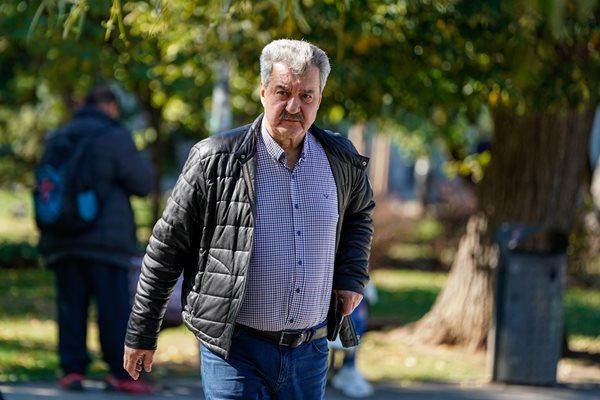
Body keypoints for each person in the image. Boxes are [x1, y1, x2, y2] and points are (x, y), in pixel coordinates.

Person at [124, 39, 375, 399]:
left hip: (310, 351)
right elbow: (166, 249)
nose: (294, 106)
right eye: (283, 92)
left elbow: (359, 214)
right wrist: (142, 332)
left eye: (306, 96)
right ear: (262, 92)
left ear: (319, 98)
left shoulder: (341, 159)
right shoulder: (215, 159)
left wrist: (351, 275)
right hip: (234, 351)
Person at [37, 86, 155, 393]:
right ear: (110, 106)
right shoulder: (114, 136)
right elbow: (142, 183)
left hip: (62, 237)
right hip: (106, 240)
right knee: (112, 309)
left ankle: (72, 371)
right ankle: (120, 372)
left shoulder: (58, 137)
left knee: (70, 307)